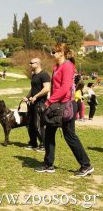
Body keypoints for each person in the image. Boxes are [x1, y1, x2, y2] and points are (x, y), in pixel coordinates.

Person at [35, 43, 94, 177]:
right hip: (57, 105)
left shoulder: (67, 66)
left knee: (70, 136)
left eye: (54, 51)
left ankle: (86, 165)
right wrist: (51, 101)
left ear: (62, 53)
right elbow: (55, 87)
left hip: (66, 106)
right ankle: (48, 164)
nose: (52, 54)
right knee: (49, 134)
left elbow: (64, 88)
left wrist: (48, 102)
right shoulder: (57, 67)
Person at [23, 58, 50, 151]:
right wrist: (27, 97)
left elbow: (46, 89)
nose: (29, 64)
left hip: (40, 103)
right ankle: (33, 143)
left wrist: (36, 96)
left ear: (38, 64)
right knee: (30, 124)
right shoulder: (34, 75)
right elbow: (33, 88)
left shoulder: (44, 75)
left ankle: (43, 145)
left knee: (38, 125)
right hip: (32, 103)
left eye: (31, 63)